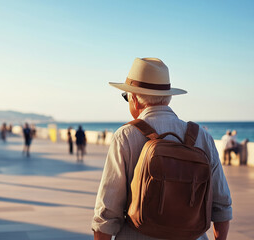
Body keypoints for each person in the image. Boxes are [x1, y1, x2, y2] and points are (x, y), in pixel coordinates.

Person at [92, 58, 232, 240]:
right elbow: (221, 205)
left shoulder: (125, 136)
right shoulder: (201, 136)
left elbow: (107, 213)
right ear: (169, 97)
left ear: (134, 98)